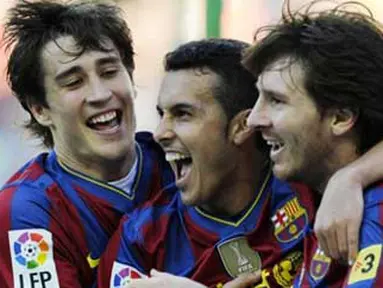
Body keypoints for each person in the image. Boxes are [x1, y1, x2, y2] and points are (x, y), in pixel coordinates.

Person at [97, 38, 341, 288]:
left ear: (243, 126)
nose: (160, 133)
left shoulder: (316, 190)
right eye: (162, 114)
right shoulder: (142, 237)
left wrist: (351, 178)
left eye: (182, 114)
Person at [0, 1, 173, 287]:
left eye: (109, 72)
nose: (100, 94)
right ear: (39, 109)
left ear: (130, 76)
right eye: (74, 82)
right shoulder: (26, 212)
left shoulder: (178, 162)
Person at [244, 0, 383, 286]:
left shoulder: (375, 216)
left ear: (341, 117)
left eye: (276, 100)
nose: (253, 120)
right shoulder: (304, 185)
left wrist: (352, 177)